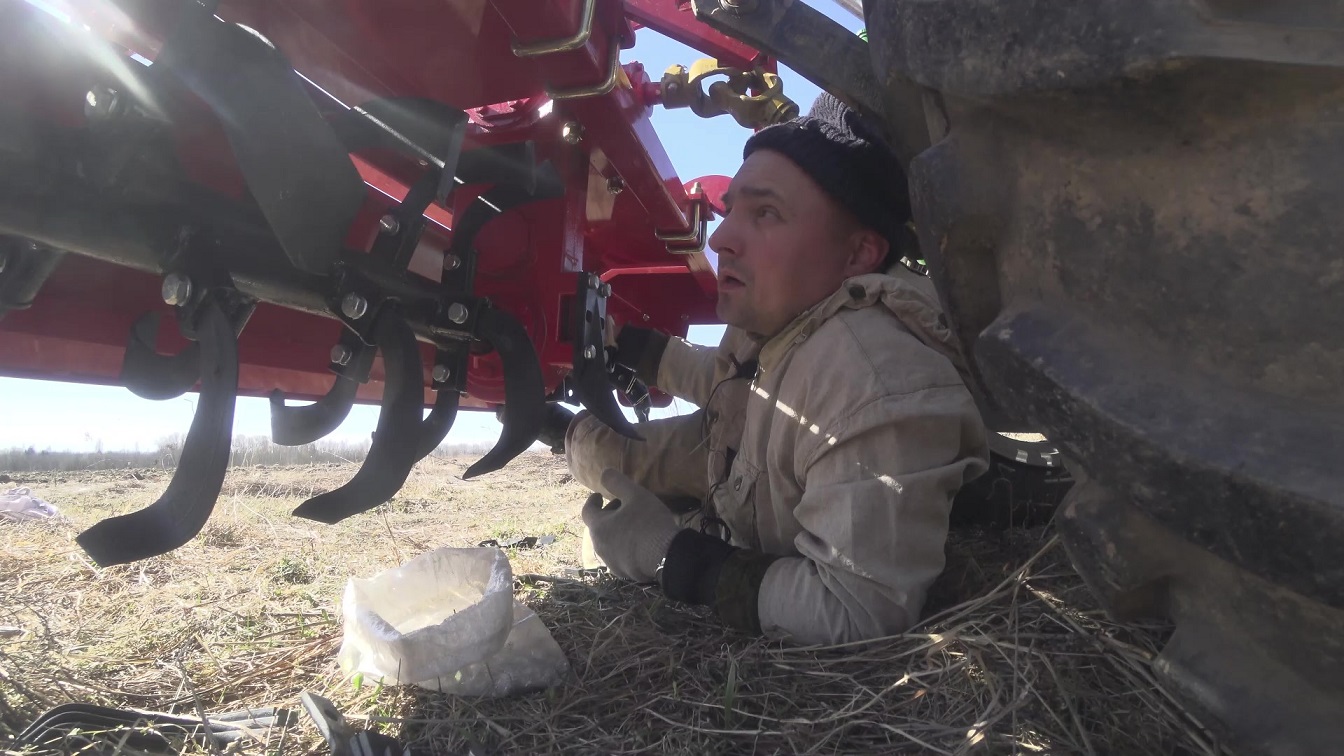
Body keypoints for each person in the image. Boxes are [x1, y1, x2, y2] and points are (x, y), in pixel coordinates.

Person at [554, 93, 989, 645]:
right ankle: (558, 430)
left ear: (858, 254)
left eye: (765, 214)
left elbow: (857, 612)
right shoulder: (789, 307)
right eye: (732, 209)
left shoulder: (875, 381)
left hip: (753, 478)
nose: (722, 238)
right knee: (595, 450)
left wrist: (670, 555)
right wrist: (633, 346)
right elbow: (728, 382)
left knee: (606, 468)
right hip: (741, 455)